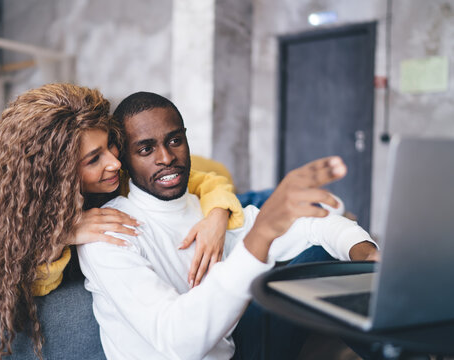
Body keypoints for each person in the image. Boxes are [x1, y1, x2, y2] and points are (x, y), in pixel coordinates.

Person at [0, 84, 246, 359]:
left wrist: (218, 215)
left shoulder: (121, 174)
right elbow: (19, 276)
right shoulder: (24, 218)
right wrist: (63, 233)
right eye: (94, 159)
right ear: (58, 173)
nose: (115, 162)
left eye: (111, 144)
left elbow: (206, 180)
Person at [77, 91, 379, 359]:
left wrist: (365, 255)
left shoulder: (209, 211)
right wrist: (258, 240)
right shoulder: (108, 233)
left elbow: (313, 225)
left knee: (327, 256)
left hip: (237, 349)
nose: (166, 157)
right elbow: (178, 342)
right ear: (125, 160)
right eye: (146, 150)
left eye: (175, 141)